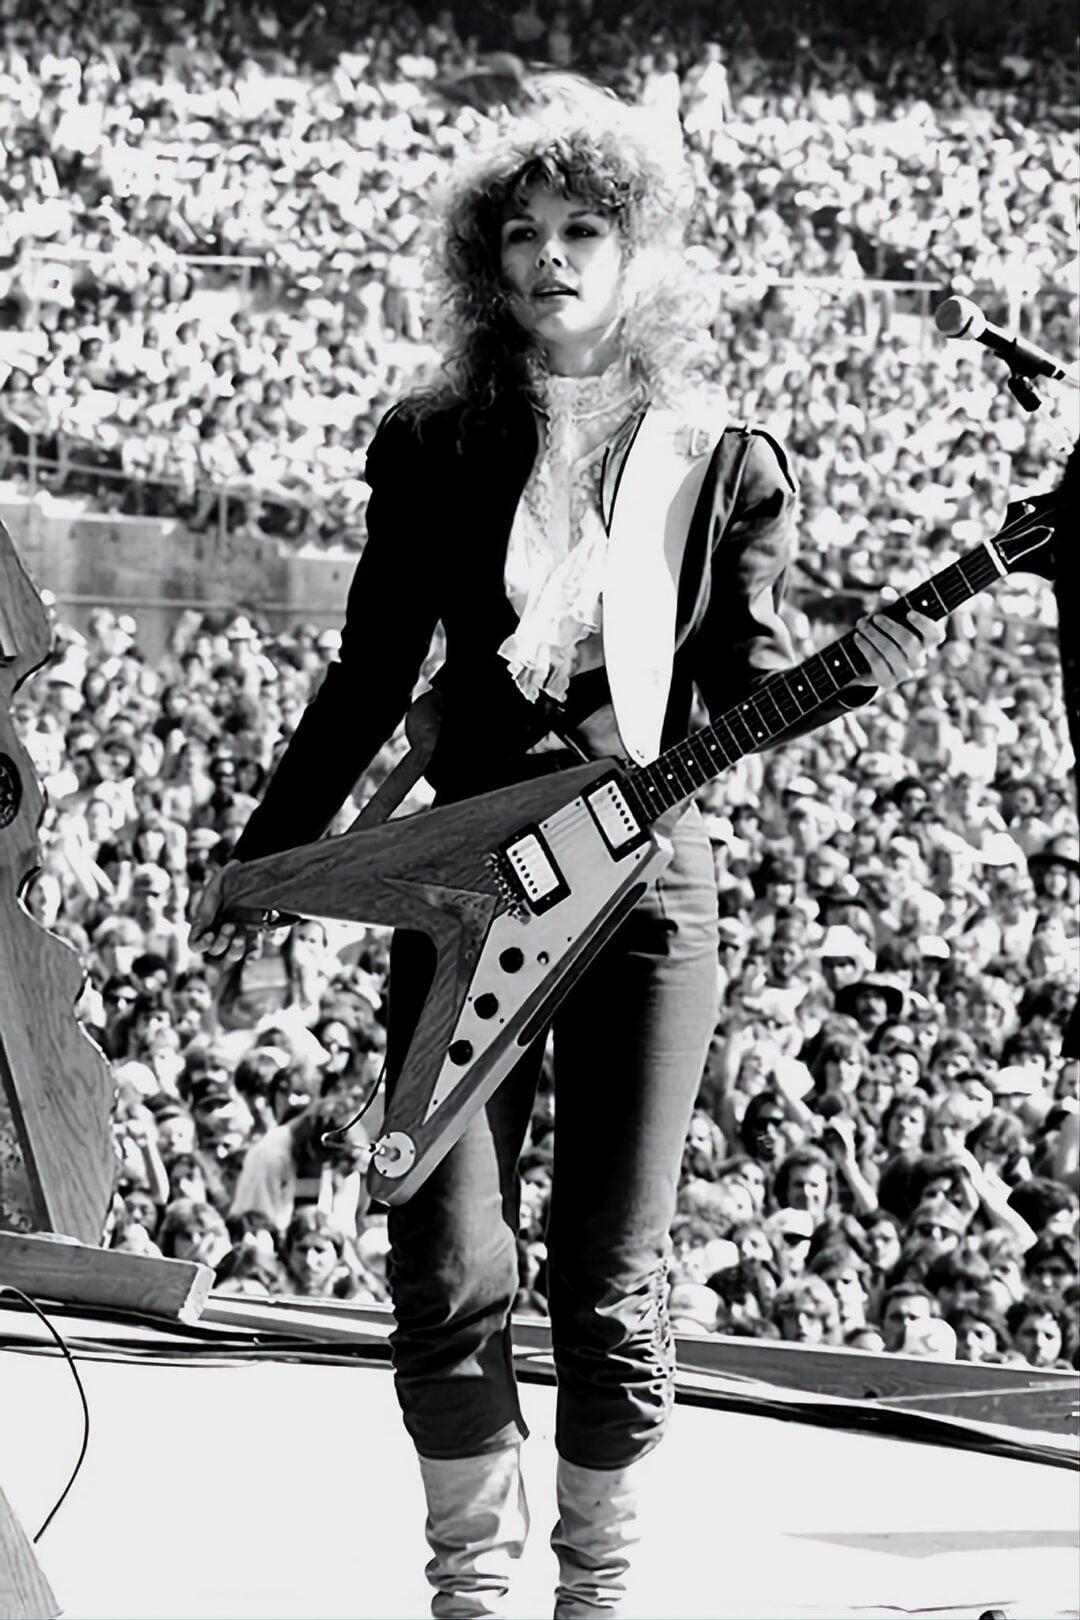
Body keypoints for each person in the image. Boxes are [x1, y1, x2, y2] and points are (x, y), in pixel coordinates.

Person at [192, 76, 942, 1620]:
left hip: (644, 888)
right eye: (521, 233)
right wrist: (268, 858)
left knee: (612, 1274)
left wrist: (846, 676)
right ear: (487, 260)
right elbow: (367, 674)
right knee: (441, 1245)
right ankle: (469, 1586)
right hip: (465, 883)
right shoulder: (432, 441)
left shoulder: (727, 458)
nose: (549, 257)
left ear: (640, 250)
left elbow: (740, 692)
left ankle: (592, 1593)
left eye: (582, 228)